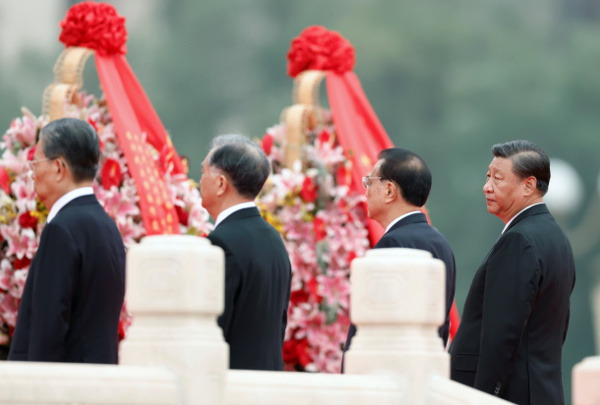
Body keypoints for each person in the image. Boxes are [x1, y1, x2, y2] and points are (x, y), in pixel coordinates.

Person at [449, 140, 576, 405]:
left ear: (528, 185)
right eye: (487, 177)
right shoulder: (557, 238)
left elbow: (501, 337)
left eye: (498, 178)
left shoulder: (519, 240)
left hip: (510, 396)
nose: (487, 186)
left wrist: (483, 398)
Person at [8, 118, 125, 364]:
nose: (31, 173)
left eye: (36, 162)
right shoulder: (108, 226)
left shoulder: (62, 229)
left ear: (59, 167)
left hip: (64, 389)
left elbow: (48, 330)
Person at [344, 148, 457, 355]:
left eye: (369, 182)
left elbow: (375, 328)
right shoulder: (441, 243)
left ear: (389, 191)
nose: (366, 191)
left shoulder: (393, 243)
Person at [200, 134, 291, 371]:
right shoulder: (274, 240)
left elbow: (212, 331)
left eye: (203, 173)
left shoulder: (221, 242)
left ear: (221, 183)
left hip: (232, 385)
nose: (199, 181)